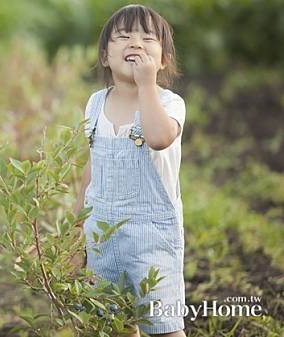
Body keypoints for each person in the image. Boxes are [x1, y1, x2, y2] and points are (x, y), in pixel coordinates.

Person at [71, 4, 187, 337]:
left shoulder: (168, 103)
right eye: (123, 37)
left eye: (147, 38)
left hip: (153, 239)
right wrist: (74, 228)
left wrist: (146, 86)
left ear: (162, 59)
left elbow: (159, 138)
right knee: (111, 324)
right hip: (102, 236)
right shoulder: (95, 103)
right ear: (105, 56)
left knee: (163, 326)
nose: (135, 43)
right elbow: (92, 169)